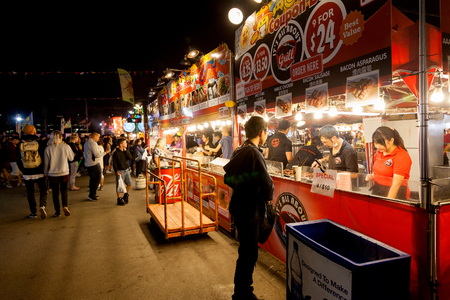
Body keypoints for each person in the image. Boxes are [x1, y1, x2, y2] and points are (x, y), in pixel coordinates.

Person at [224, 116, 274, 300]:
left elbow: (228, 178)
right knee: (248, 253)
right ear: (262, 132)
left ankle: (242, 291)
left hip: (239, 206)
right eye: (266, 132)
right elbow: (267, 183)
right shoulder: (254, 153)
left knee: (245, 251)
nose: (266, 135)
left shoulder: (240, 149)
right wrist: (268, 200)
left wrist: (244, 185)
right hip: (250, 210)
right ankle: (243, 293)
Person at [366, 126, 412, 200]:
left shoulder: (401, 156)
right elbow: (381, 170)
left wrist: (389, 201)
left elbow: (396, 184)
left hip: (396, 192)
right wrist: (373, 176)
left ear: (391, 140)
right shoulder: (379, 152)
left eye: (381, 143)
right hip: (378, 189)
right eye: (375, 143)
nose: (377, 146)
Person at [16, 125, 48, 219]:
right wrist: (45, 170)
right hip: (39, 170)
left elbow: (18, 160)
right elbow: (44, 157)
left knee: (30, 192)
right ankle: (42, 205)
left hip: (27, 172)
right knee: (43, 190)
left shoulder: (20, 144)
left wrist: (23, 170)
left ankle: (33, 212)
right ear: (34, 131)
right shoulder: (41, 143)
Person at [44, 131, 75, 218]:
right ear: (61, 137)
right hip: (64, 172)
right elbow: (71, 158)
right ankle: (65, 206)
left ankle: (57, 212)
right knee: (64, 190)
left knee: (55, 192)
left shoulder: (48, 148)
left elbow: (46, 163)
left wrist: (45, 173)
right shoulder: (65, 146)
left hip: (52, 173)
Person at [84, 132, 109, 201]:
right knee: (97, 179)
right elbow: (97, 154)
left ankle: (92, 194)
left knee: (93, 179)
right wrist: (104, 153)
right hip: (93, 163)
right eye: (98, 137)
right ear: (94, 136)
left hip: (88, 163)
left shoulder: (87, 142)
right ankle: (92, 195)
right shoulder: (93, 143)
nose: (99, 138)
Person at [113, 138, 132, 205]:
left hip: (126, 170)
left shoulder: (125, 152)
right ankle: (119, 198)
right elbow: (114, 163)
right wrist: (116, 171)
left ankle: (126, 195)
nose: (126, 144)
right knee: (119, 185)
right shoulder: (116, 153)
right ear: (121, 144)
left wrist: (126, 151)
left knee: (129, 183)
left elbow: (130, 158)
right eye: (125, 143)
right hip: (120, 171)